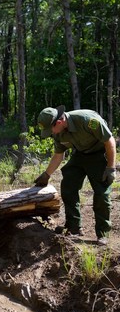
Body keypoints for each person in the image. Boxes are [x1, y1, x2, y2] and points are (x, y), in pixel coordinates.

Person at [35, 105, 116, 245]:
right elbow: (59, 155)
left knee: (101, 193)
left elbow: (110, 142)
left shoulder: (87, 120)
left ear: (59, 122)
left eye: (50, 129)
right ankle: (73, 227)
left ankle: (103, 233)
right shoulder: (58, 133)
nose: (51, 133)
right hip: (80, 154)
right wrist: (46, 174)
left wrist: (110, 167)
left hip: (99, 154)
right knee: (68, 186)